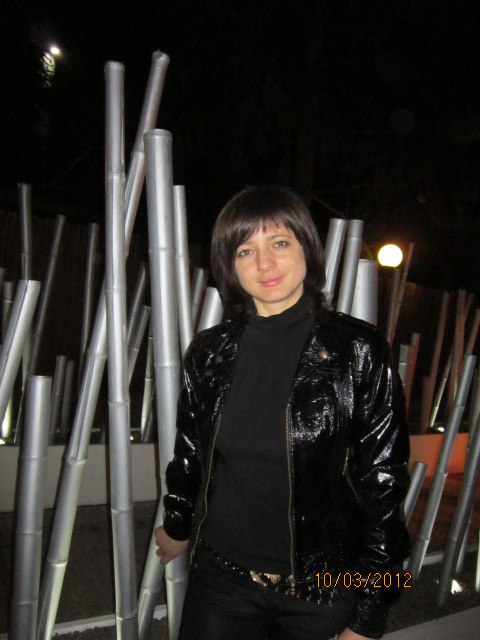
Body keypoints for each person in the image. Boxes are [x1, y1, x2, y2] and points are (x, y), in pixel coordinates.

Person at [155, 186, 411, 640]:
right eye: (245, 250)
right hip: (222, 578)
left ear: (306, 248)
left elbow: (384, 484)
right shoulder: (211, 352)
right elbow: (190, 451)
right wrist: (177, 524)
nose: (264, 263)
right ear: (229, 266)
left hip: (323, 586)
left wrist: (371, 612)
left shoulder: (358, 350)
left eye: (279, 242)